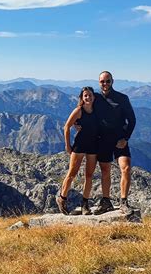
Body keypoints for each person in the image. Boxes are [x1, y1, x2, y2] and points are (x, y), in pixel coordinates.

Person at [93, 71, 136, 215]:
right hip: (103, 139)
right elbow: (83, 109)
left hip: (120, 140)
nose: (105, 84)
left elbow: (132, 120)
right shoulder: (95, 98)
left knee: (126, 168)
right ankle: (106, 201)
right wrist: (76, 124)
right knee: (105, 171)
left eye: (107, 81)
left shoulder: (122, 98)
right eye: (102, 82)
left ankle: (124, 201)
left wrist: (126, 138)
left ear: (112, 81)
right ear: (99, 82)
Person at [56, 86, 98, 215]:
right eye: (85, 95)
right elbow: (66, 127)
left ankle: (85, 204)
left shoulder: (97, 110)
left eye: (90, 95)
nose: (88, 97)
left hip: (93, 145)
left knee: (89, 176)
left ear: (94, 97)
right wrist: (68, 145)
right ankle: (62, 198)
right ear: (81, 97)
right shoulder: (78, 111)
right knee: (72, 174)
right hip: (80, 145)